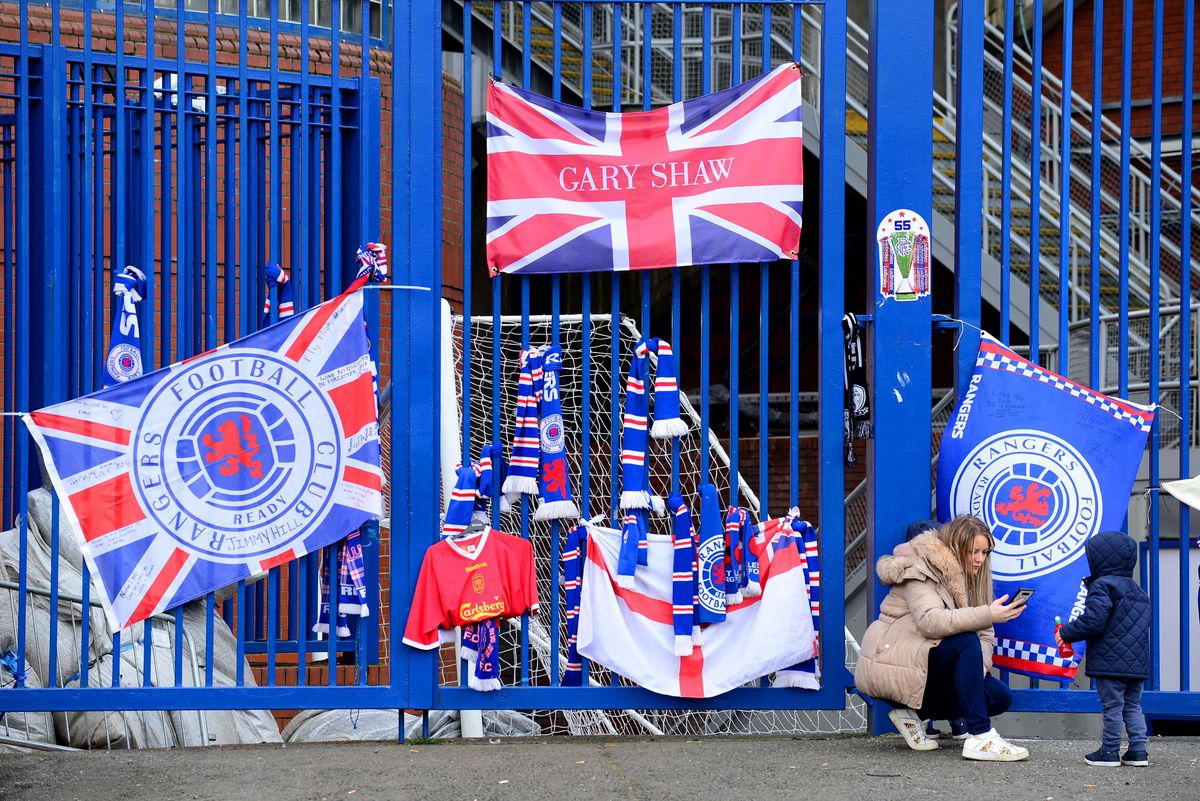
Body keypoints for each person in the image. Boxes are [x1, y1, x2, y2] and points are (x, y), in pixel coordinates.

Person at [854, 515, 1030, 761]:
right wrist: (987, 613)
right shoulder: (919, 569)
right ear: (956, 547)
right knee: (966, 641)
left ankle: (913, 713)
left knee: (1000, 696)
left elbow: (986, 632)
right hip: (893, 659)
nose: (980, 559)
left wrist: (978, 666)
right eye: (973, 551)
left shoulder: (971, 576)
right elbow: (930, 622)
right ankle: (980, 737)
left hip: (924, 661)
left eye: (985, 552)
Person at [1055, 530, 1151, 768]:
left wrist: (1066, 632)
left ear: (1098, 559)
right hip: (1136, 663)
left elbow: (1093, 621)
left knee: (1112, 707)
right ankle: (1138, 751)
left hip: (1110, 662)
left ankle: (1109, 751)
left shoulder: (1103, 586)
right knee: (1132, 706)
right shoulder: (1138, 590)